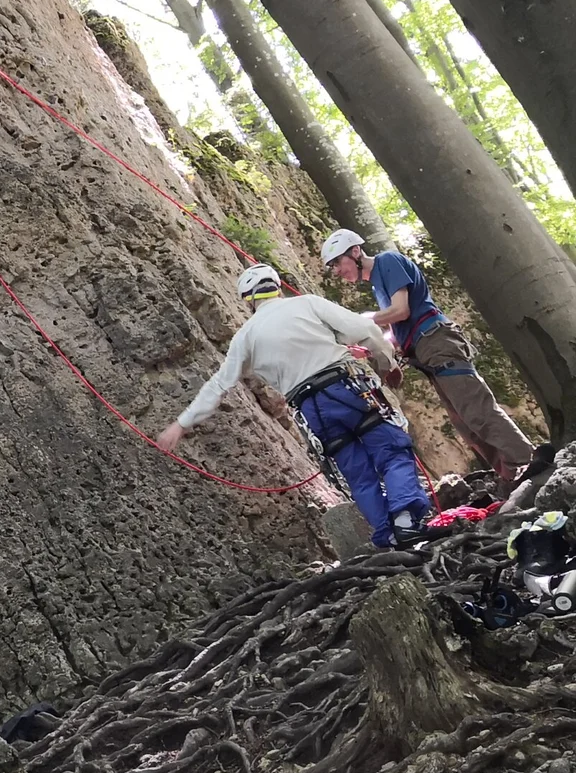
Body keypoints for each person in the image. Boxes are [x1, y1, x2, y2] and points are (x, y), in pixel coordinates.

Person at [155, 263, 431, 548]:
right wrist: (387, 363)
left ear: (248, 299)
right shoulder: (307, 304)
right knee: (392, 450)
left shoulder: (245, 337)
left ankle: (387, 536)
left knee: (357, 472)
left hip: (312, 410)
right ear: (277, 286)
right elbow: (365, 329)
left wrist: (181, 424)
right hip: (347, 389)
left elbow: (219, 385)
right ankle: (406, 521)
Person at [321, 228, 537, 484]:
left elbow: (401, 311)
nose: (336, 271)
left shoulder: (387, 262)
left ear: (355, 251)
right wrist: (370, 348)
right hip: (427, 349)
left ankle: (529, 464)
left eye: (337, 262)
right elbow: (399, 328)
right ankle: (513, 477)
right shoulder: (378, 284)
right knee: (465, 425)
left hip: (437, 341)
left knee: (477, 411)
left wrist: (363, 321)